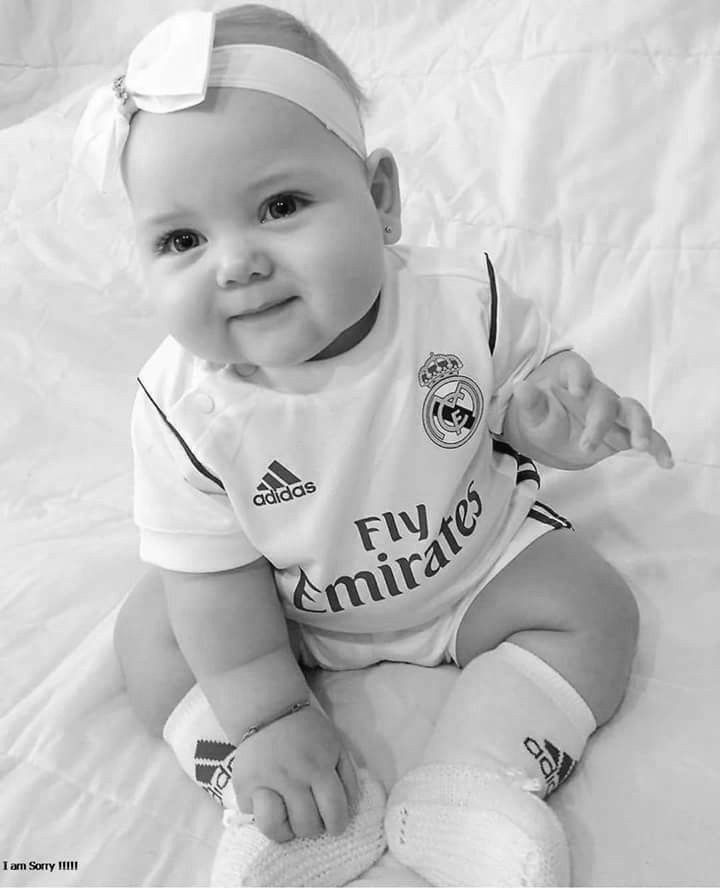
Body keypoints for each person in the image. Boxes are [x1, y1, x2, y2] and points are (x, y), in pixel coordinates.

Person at [74, 5, 673, 886]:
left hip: (469, 567)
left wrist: (553, 414)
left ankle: (476, 781)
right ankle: (278, 796)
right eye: (182, 239)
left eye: (280, 206)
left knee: (596, 607)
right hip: (278, 609)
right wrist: (268, 714)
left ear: (381, 198)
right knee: (156, 635)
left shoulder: (462, 301)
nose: (235, 264)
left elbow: (519, 390)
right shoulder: (184, 410)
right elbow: (216, 583)